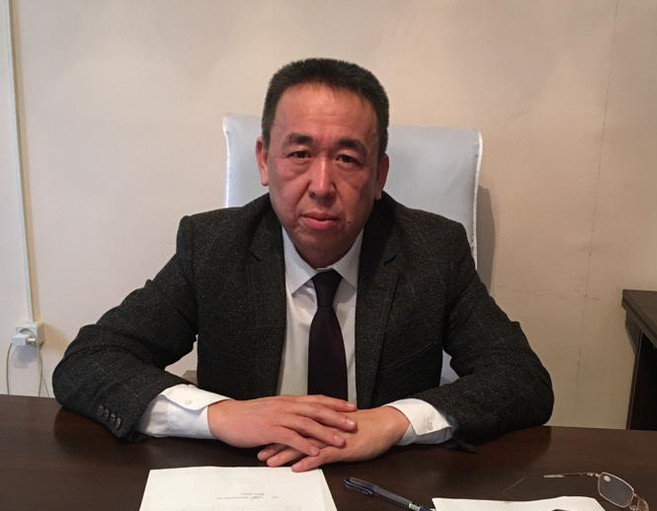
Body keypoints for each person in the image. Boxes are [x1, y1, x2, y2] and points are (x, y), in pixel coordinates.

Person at [53, 58, 553, 471]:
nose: (321, 185)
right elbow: (88, 361)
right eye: (299, 153)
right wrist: (221, 415)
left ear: (379, 175)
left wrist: (394, 421)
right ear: (264, 161)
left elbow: (521, 378)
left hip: (380, 487)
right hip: (246, 485)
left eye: (347, 159)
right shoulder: (213, 247)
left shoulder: (433, 251)